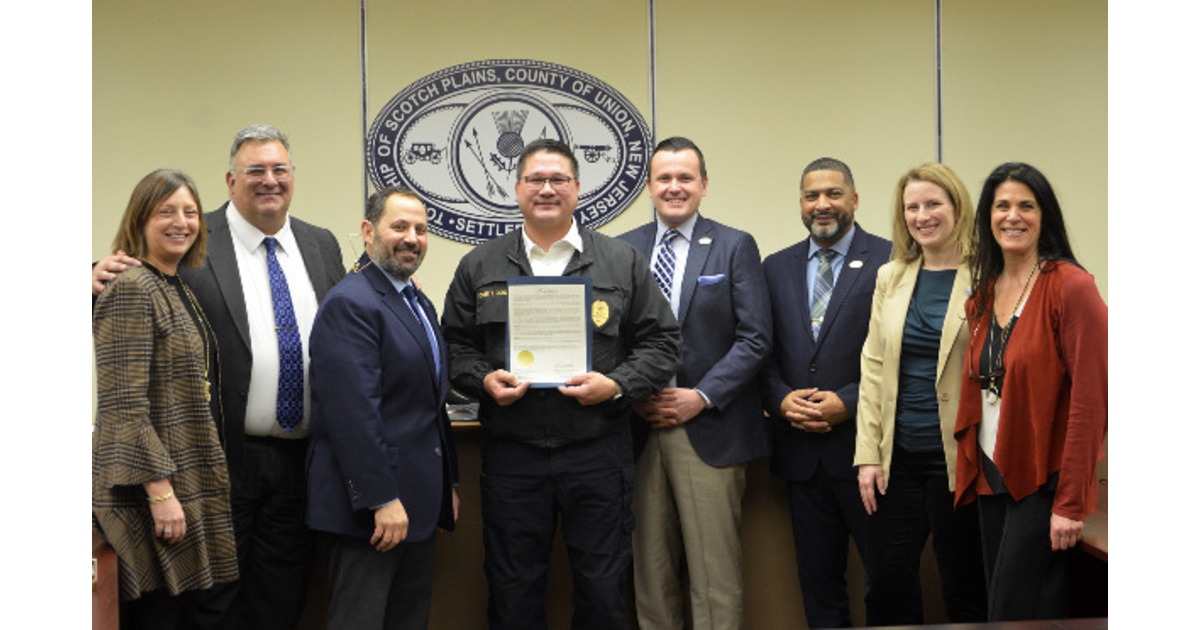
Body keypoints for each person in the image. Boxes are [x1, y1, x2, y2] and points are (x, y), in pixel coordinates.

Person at [92, 125, 345, 629]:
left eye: (279, 170)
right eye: (255, 170)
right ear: (231, 180)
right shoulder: (194, 237)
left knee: (281, 600)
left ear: (294, 178)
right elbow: (131, 287)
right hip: (216, 461)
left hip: (300, 460)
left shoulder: (321, 245)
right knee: (213, 605)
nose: (269, 180)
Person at [441, 138, 681, 629]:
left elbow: (663, 344)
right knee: (512, 588)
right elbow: (453, 349)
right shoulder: (480, 265)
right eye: (535, 180)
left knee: (603, 589)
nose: (546, 189)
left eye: (558, 180)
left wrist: (614, 385)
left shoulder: (621, 262)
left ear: (576, 189)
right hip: (513, 454)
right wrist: (484, 380)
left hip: (597, 451)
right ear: (517, 189)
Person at [616, 136, 771, 630]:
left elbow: (755, 338)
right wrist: (633, 394)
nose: (675, 187)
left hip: (709, 429)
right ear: (649, 187)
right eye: (665, 178)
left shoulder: (734, 245)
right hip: (640, 430)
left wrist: (700, 396)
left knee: (714, 577)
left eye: (686, 178)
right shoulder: (622, 250)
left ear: (704, 185)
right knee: (650, 573)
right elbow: (610, 340)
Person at [954, 162, 1107, 621]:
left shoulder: (1070, 286)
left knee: (1013, 609)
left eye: (1026, 205)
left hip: (1043, 481)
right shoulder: (983, 296)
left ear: (1045, 216)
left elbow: (1091, 401)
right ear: (987, 217)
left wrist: (1070, 503)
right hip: (991, 474)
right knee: (1018, 609)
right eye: (1002, 206)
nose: (1013, 216)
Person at [305, 186, 459, 629]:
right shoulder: (351, 303)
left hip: (417, 503)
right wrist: (381, 498)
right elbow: (353, 413)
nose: (412, 237)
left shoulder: (414, 299)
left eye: (421, 229)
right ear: (369, 231)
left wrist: (447, 479)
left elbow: (430, 402)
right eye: (400, 227)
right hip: (372, 511)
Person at [92, 169, 238, 629]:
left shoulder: (173, 284)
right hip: (146, 493)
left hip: (183, 480)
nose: (182, 222)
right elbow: (123, 408)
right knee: (157, 618)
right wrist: (160, 495)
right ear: (140, 219)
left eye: (190, 212)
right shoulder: (134, 288)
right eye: (166, 211)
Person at [853, 163, 987, 625]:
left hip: (962, 459)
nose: (922, 215)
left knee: (965, 589)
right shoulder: (891, 275)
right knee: (885, 589)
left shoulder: (988, 274)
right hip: (897, 460)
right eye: (912, 207)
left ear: (957, 207)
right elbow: (872, 367)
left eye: (933, 204)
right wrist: (868, 454)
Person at [760, 157, 891, 628]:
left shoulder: (891, 260)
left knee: (887, 582)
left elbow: (902, 357)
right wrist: (779, 399)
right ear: (800, 203)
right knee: (818, 585)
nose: (822, 204)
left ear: (854, 200)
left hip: (868, 452)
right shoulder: (775, 267)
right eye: (812, 195)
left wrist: (849, 401)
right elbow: (762, 350)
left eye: (834, 194)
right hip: (801, 453)